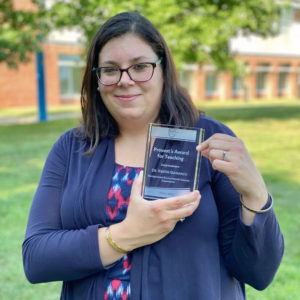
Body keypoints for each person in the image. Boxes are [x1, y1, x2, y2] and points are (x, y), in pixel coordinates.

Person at [22, 11, 284, 300]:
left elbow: (259, 273)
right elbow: (36, 259)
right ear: (96, 79)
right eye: (110, 69)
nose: (125, 80)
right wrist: (127, 234)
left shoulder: (210, 142)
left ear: (163, 70)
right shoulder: (72, 148)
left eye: (140, 66)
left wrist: (256, 196)